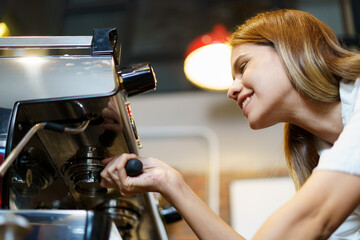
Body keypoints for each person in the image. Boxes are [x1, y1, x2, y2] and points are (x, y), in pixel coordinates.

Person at [100, 9, 360, 240]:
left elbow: (311, 220)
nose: (231, 90)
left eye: (243, 66)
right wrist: (170, 182)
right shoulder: (326, 158)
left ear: (292, 49)